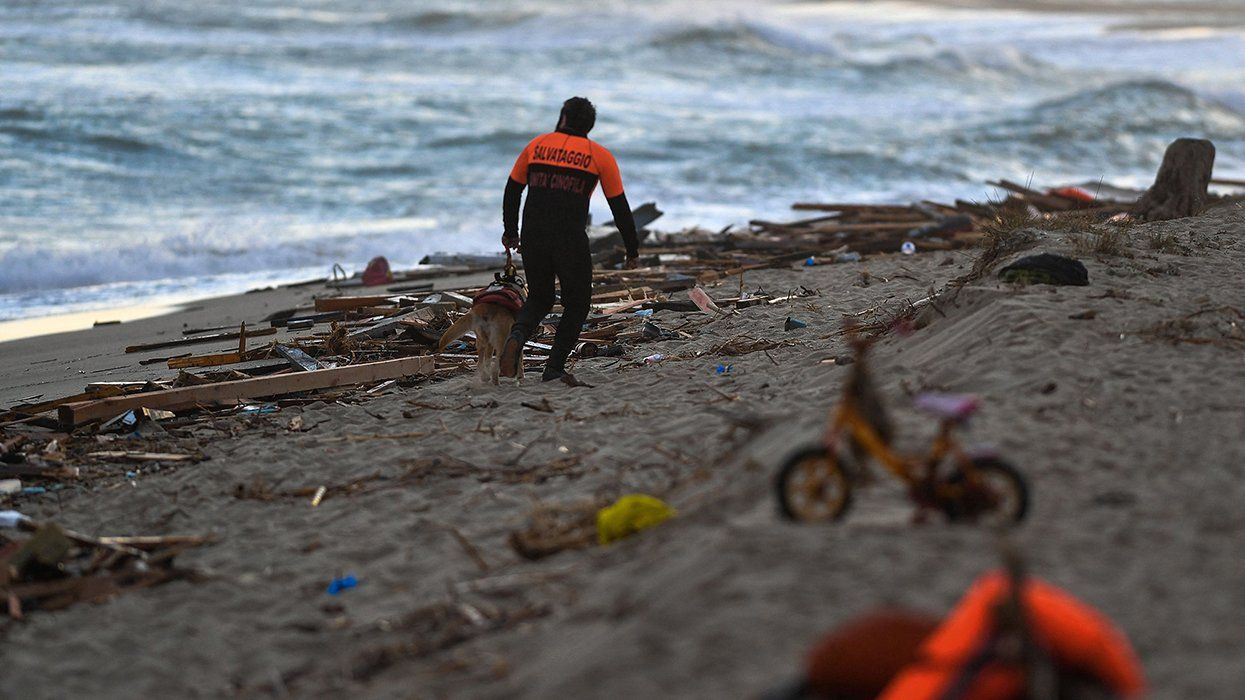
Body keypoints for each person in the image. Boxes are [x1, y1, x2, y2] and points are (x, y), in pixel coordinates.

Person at [499, 96, 639, 384]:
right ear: (589, 125)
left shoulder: (536, 146)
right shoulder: (599, 156)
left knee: (540, 297)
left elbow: (512, 190)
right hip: (569, 239)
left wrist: (511, 232)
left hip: (533, 234)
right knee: (577, 304)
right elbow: (619, 207)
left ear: (563, 118)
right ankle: (553, 369)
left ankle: (517, 336)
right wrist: (632, 249)